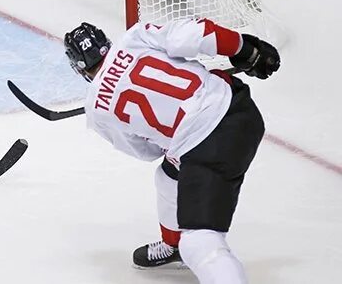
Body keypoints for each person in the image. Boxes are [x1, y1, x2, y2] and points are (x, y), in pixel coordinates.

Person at [64, 18, 280, 282]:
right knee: (167, 177)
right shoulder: (135, 37)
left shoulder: (96, 110)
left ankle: (186, 246)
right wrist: (246, 50)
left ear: (79, 68)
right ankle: (172, 245)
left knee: (199, 242)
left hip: (212, 147)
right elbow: (200, 33)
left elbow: (146, 152)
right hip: (239, 106)